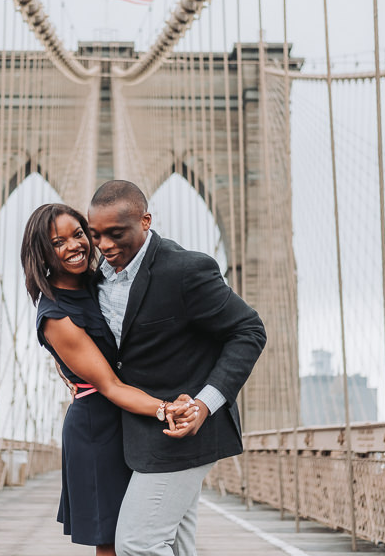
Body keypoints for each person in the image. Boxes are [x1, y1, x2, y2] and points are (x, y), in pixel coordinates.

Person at [87, 180, 267, 556]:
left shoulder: (185, 270)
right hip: (132, 432)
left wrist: (204, 404)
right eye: (96, 235)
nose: (104, 246)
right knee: (175, 547)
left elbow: (248, 330)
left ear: (146, 221)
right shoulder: (95, 275)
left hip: (184, 428)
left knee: (138, 544)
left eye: (116, 234)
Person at [20, 203, 199, 556]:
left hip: (131, 419)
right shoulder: (55, 314)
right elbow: (110, 385)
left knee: (160, 528)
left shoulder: (100, 279)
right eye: (58, 242)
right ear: (41, 251)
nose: (74, 246)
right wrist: (166, 409)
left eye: (78, 234)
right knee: (114, 541)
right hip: (97, 430)